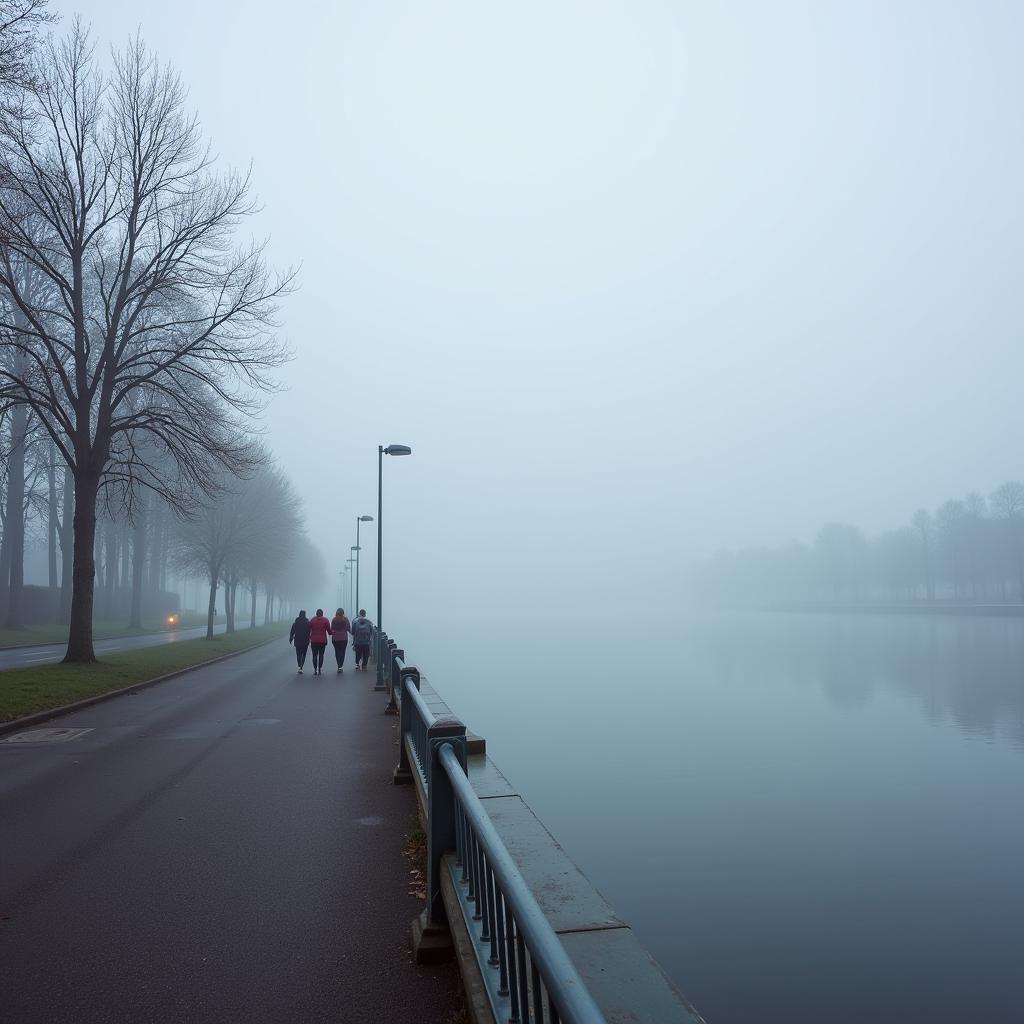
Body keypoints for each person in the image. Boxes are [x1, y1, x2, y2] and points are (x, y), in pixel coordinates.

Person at [308, 608, 332, 676]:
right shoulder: (325, 620)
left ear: (316, 613)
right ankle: (320, 668)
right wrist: (331, 633)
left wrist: (309, 637)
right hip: (322, 640)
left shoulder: (312, 620)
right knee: (321, 654)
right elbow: (329, 631)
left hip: (314, 640)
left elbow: (308, 629)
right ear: (322, 614)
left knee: (314, 655)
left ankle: (315, 669)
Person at [331, 608, 351, 674]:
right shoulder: (345, 619)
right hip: (344, 638)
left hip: (335, 638)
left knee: (337, 652)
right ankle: (341, 666)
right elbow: (348, 628)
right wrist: (352, 633)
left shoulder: (334, 619)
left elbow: (332, 629)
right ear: (343, 613)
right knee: (342, 652)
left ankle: (339, 666)